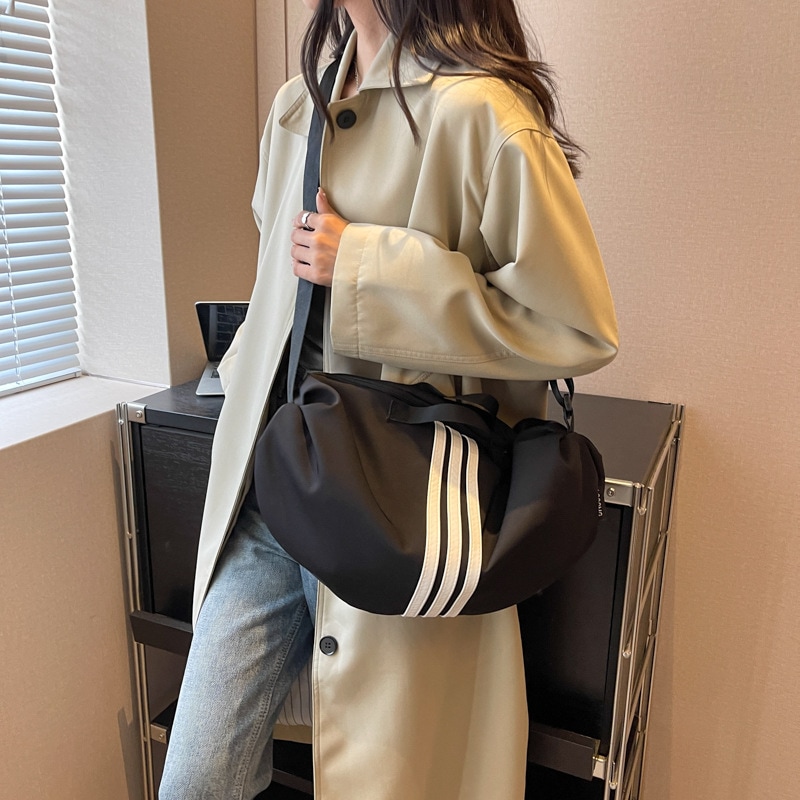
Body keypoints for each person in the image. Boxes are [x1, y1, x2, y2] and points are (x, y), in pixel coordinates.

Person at [159, 0, 618, 798]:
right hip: (271, 493)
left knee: (386, 778)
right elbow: (277, 282)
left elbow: (574, 326)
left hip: (398, 504)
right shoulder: (297, 106)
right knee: (197, 778)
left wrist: (367, 265)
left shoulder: (483, 113)